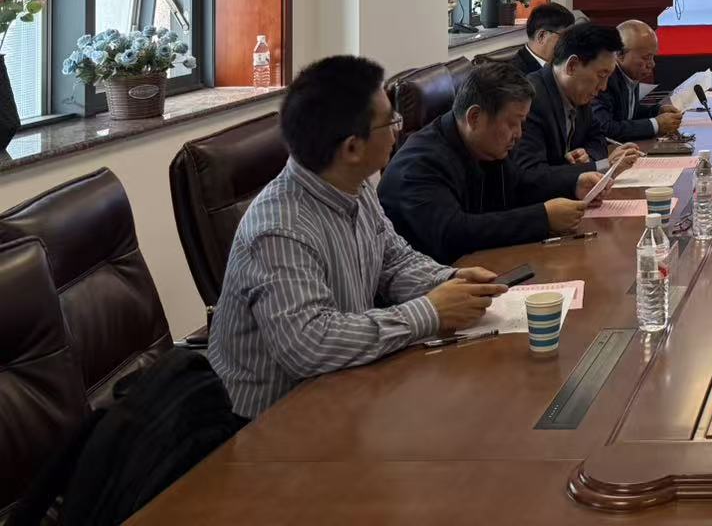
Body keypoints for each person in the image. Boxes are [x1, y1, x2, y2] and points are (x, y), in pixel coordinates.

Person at [209, 56, 506, 419]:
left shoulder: (353, 184)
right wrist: (429, 311)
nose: (398, 130)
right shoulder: (279, 229)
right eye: (390, 121)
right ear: (352, 148)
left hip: (348, 388)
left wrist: (449, 281)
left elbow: (393, 261)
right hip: (274, 423)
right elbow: (311, 343)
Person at [378, 61, 601, 264]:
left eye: (522, 123)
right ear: (474, 117)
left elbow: (521, 184)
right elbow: (454, 233)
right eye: (512, 123)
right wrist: (543, 218)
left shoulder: (485, 147)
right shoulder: (420, 164)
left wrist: (574, 184)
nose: (519, 134)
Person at [512, 20, 637, 199]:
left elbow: (597, 137)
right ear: (572, 66)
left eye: (608, 77)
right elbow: (531, 175)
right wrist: (600, 166)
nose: (603, 87)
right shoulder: (531, 99)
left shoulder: (578, 92)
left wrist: (588, 156)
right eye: (601, 75)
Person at [592, 20, 682, 143]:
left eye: (653, 57)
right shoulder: (605, 79)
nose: (652, 64)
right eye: (646, 58)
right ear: (620, 54)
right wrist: (655, 124)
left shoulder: (629, 74)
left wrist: (657, 111)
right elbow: (605, 128)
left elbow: (627, 113)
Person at [511, 1, 575, 77]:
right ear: (541, 36)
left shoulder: (565, 65)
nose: (570, 44)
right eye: (565, 37)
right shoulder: (515, 75)